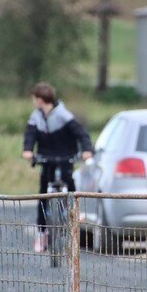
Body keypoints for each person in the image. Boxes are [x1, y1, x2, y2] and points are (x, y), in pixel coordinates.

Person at [21, 83, 93, 252]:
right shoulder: (36, 116)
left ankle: (75, 210)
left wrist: (87, 150)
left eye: (34, 98)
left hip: (65, 156)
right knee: (43, 195)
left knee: (69, 182)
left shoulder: (63, 115)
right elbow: (30, 134)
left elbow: (81, 133)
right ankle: (42, 233)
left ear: (40, 100)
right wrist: (28, 150)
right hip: (46, 158)